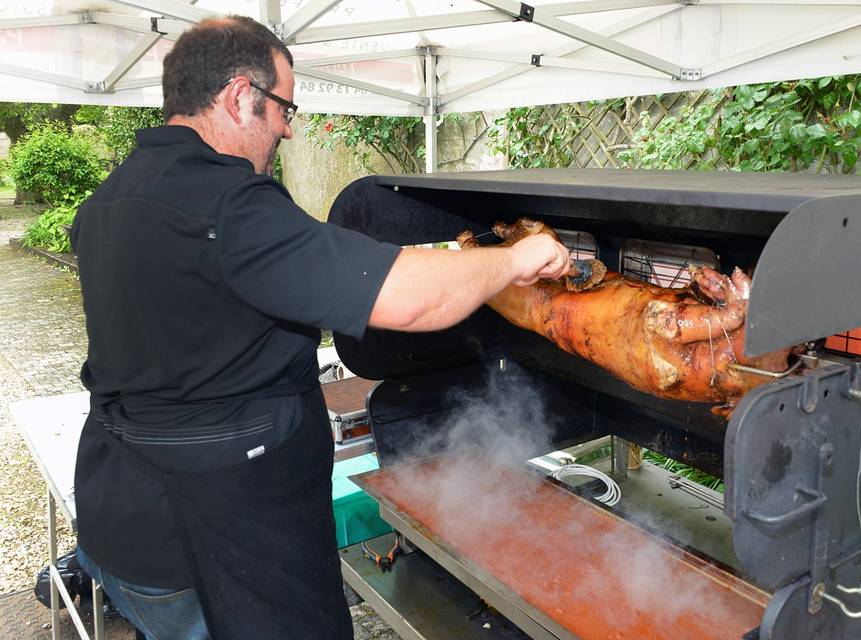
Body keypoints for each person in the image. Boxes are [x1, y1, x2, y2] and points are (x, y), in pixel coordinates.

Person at [68, 15, 570, 640]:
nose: (286, 127)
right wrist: (518, 259)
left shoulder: (108, 201)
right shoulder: (229, 205)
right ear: (238, 96)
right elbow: (406, 300)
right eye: (283, 108)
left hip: (124, 520)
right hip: (221, 539)